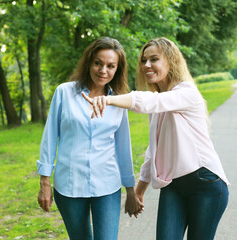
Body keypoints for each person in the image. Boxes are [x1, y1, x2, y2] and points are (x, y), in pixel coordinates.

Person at [83, 37, 229, 240]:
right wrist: (139, 191)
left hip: (205, 184)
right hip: (173, 186)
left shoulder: (186, 93)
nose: (147, 65)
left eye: (154, 59)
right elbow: (154, 150)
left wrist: (107, 99)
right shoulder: (159, 103)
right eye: (144, 60)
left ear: (171, 61)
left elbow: (147, 101)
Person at [37, 37, 143, 240]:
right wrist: (44, 182)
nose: (103, 70)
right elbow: (50, 137)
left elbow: (123, 147)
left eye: (110, 66)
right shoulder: (64, 93)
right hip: (69, 186)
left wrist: (130, 190)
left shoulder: (118, 100)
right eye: (98, 63)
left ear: (117, 70)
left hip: (107, 185)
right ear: (89, 63)